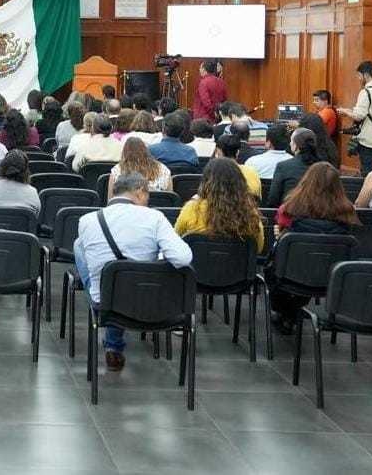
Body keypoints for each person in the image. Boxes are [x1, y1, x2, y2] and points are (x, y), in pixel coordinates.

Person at [74, 172, 192, 371]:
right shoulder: (155, 218)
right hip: (147, 298)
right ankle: (114, 343)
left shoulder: (87, 220)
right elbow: (183, 258)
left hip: (104, 301)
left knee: (80, 246)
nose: (148, 200)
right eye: (147, 195)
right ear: (139, 192)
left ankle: (112, 340)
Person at [266, 162, 360, 332]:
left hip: (291, 271)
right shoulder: (348, 212)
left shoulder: (289, 208)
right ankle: (292, 311)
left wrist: (282, 237)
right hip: (331, 277)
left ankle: (287, 312)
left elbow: (281, 231)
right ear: (338, 186)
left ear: (306, 181)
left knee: (275, 267)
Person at [175, 157, 265, 252]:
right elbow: (258, 248)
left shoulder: (191, 209)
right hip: (236, 266)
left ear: (205, 182)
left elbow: (177, 240)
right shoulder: (250, 213)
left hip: (198, 266)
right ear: (240, 182)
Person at [336, 60, 372, 175]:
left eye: (359, 76)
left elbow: (359, 116)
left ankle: (369, 192)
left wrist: (345, 112)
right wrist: (350, 110)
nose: (358, 79)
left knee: (367, 173)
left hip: (369, 140)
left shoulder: (366, 92)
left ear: (366, 75)